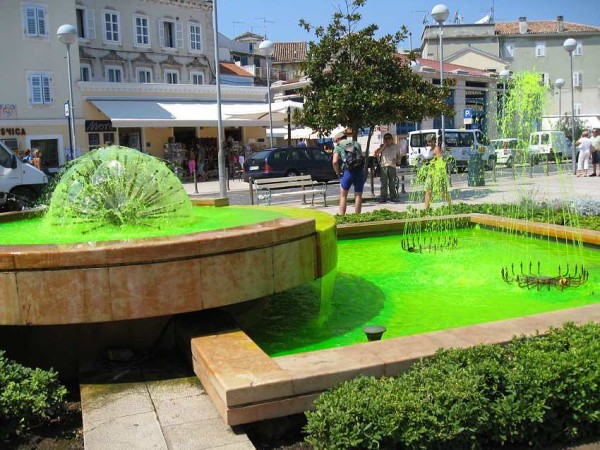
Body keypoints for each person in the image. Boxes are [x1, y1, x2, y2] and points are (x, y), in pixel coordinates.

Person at [333, 139, 365, 216]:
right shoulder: (357, 144)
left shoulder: (338, 147)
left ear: (338, 139)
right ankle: (358, 217)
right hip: (359, 171)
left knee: (343, 196)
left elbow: (334, 161)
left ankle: (342, 217)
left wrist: (337, 172)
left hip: (347, 172)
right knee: (358, 195)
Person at [424, 139, 451, 210]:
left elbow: (440, 160)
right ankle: (426, 208)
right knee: (428, 190)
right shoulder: (430, 149)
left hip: (436, 173)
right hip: (430, 173)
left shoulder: (437, 148)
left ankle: (450, 204)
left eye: (430, 141)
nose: (429, 143)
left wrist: (433, 163)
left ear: (434, 141)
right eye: (428, 142)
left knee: (441, 192)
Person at [374, 133, 401, 203]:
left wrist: (397, 160)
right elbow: (378, 153)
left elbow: (399, 156)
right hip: (384, 166)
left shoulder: (395, 146)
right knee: (384, 183)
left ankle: (393, 197)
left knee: (392, 183)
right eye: (386, 139)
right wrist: (384, 145)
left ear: (391, 139)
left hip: (392, 166)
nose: (387, 140)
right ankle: (383, 197)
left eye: (389, 139)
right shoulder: (382, 146)